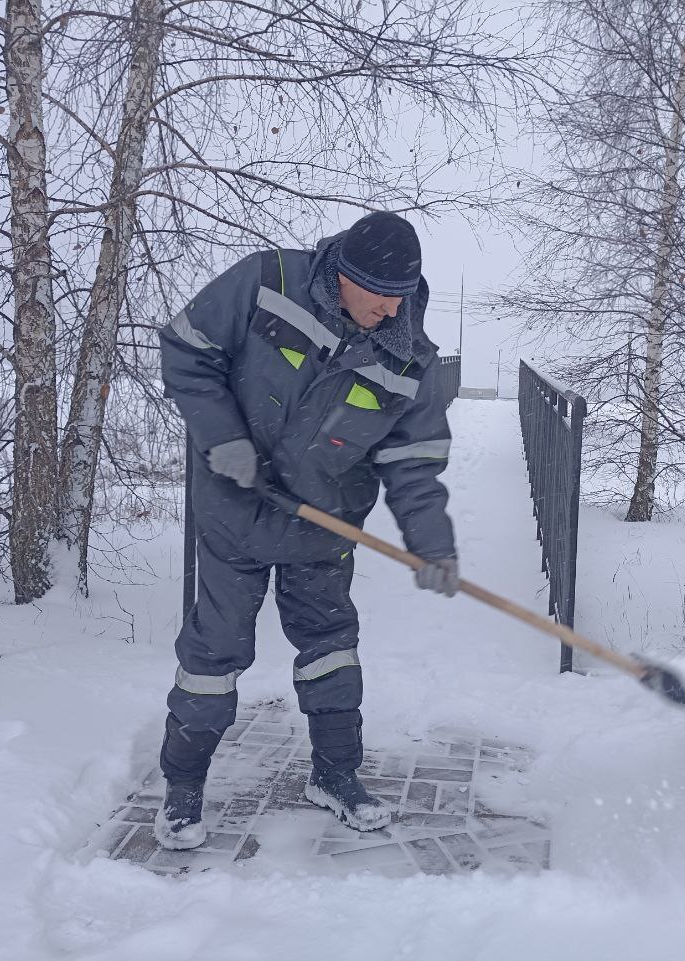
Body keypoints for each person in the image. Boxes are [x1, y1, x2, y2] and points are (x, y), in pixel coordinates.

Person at [153, 211, 460, 850]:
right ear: (342, 275)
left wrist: (431, 542)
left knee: (330, 646)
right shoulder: (268, 281)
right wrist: (224, 438)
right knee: (214, 654)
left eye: (401, 295)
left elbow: (414, 463)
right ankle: (182, 790)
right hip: (235, 510)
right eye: (378, 293)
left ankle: (336, 774)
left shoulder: (411, 360)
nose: (390, 307)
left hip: (324, 524)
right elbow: (187, 348)